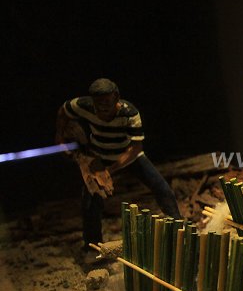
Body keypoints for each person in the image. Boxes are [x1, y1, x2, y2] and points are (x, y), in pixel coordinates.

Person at [55, 78, 181, 263]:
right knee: (90, 201)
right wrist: (59, 134)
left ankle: (179, 228)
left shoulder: (130, 113)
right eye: (98, 104)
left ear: (116, 98)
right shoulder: (83, 106)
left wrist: (109, 170)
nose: (102, 108)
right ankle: (92, 246)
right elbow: (64, 110)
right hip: (99, 155)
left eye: (106, 103)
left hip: (128, 156)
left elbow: (135, 148)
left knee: (162, 188)